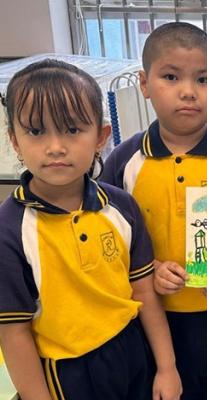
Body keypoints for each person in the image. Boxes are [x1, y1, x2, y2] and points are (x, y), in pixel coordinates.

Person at [101, 22, 207, 400]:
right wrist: (151, 269)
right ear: (144, 84)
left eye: (203, 79)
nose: (188, 91)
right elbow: (108, 244)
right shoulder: (123, 162)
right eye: (171, 77)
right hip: (155, 322)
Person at [0, 59, 181, 400]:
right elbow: (14, 333)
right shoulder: (9, 230)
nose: (56, 147)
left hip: (132, 351)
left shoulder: (122, 207)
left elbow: (144, 294)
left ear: (100, 137)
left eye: (72, 129)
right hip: (67, 372)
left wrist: (167, 367)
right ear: (15, 140)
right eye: (36, 131)